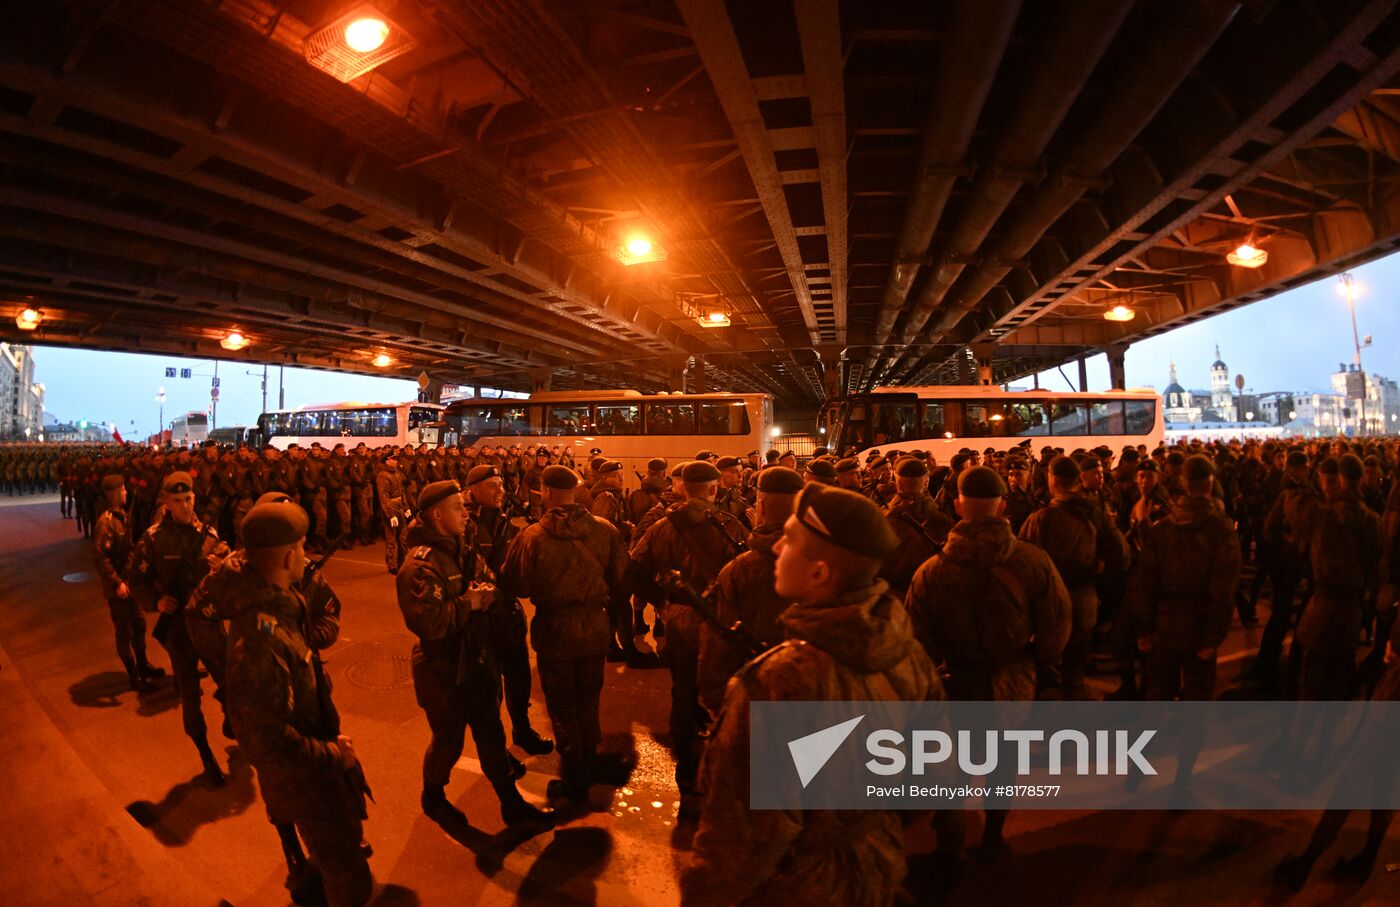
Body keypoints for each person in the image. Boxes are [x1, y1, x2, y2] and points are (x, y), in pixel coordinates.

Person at [682, 485, 942, 907]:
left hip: (798, 888)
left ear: (819, 573)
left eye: (790, 539)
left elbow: (740, 843)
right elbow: (937, 773)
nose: (778, 545)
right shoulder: (905, 650)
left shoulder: (778, 683)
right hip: (877, 863)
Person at [906, 465, 1071, 864]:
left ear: (958, 505)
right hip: (1012, 681)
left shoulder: (930, 571)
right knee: (1003, 763)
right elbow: (1058, 622)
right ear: (1001, 507)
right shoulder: (1032, 562)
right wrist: (1040, 665)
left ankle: (948, 849)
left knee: (950, 771)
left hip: (954, 682)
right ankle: (994, 838)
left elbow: (914, 638)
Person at [224, 500, 373, 907]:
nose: (307, 556)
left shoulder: (280, 606)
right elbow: (268, 743)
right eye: (303, 547)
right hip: (308, 780)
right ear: (289, 555)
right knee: (349, 880)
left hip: (317, 766)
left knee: (339, 857)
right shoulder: (261, 636)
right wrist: (331, 756)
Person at [397, 480, 552, 828]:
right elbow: (429, 622)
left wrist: (486, 594)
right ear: (437, 515)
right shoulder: (421, 565)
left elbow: (490, 580)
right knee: (448, 742)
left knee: (491, 733)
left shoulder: (461, 547)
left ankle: (510, 803)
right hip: (442, 666)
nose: (465, 512)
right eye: (457, 507)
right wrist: (469, 602)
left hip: (476, 658)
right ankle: (433, 797)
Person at [499, 465, 630, 805]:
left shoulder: (532, 536)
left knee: (562, 706)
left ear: (546, 491)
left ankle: (574, 776)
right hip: (595, 628)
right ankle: (590, 757)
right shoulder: (605, 530)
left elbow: (516, 585)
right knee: (589, 699)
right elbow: (620, 578)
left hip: (555, 631)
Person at [630, 460, 748, 796]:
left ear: (684, 487)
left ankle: (684, 762)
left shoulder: (662, 527)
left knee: (682, 688)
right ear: (713, 488)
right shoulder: (730, 525)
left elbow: (634, 569)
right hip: (720, 621)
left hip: (680, 619)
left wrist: (662, 602)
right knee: (723, 690)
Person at [1129, 455, 1241, 796]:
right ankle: (1181, 782)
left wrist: (1145, 629)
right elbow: (1224, 589)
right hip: (1198, 628)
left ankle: (1136, 771)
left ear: (1182, 484)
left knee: (1153, 705)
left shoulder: (1163, 528)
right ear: (1209, 484)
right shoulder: (1221, 530)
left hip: (1164, 626)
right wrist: (1213, 636)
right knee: (1194, 713)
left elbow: (1144, 581)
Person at [126, 471, 232, 785]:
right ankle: (205, 754)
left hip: (209, 625)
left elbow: (226, 581)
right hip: (179, 630)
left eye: (188, 499)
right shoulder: (154, 539)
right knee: (189, 695)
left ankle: (232, 719)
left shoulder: (210, 535)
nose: (185, 506)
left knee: (229, 680)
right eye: (177, 501)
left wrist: (221, 569)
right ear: (166, 503)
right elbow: (135, 579)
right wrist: (156, 602)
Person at [460, 465, 554, 756]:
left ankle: (522, 730)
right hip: (480, 617)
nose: (500, 491)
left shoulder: (502, 519)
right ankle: (496, 750)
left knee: (519, 678)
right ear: (470, 490)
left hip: (507, 613)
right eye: (492, 486)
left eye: (501, 485)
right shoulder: (463, 524)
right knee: (489, 691)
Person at [1019, 456, 1128, 699]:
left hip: (1048, 605)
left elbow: (1023, 564)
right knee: (1076, 665)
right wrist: (1097, 577)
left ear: (1052, 479)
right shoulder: (1094, 514)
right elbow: (1121, 556)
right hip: (1084, 598)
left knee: (1044, 664)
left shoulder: (1040, 519)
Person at [697, 466, 803, 713]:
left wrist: (720, 704)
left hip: (758, 698)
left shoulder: (738, 570)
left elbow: (717, 648)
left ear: (762, 507)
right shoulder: (823, 562)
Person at [92, 473, 163, 692]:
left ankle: (143, 666)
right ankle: (134, 677)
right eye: (122, 490)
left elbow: (129, 548)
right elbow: (101, 558)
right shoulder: (106, 523)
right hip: (118, 588)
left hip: (129, 582)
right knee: (125, 631)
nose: (126, 492)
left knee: (139, 625)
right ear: (113, 494)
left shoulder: (121, 515)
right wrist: (116, 583)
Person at [880, 456, 954, 600]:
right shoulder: (941, 520)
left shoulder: (882, 520)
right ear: (926, 481)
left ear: (898, 482)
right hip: (930, 595)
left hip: (895, 599)